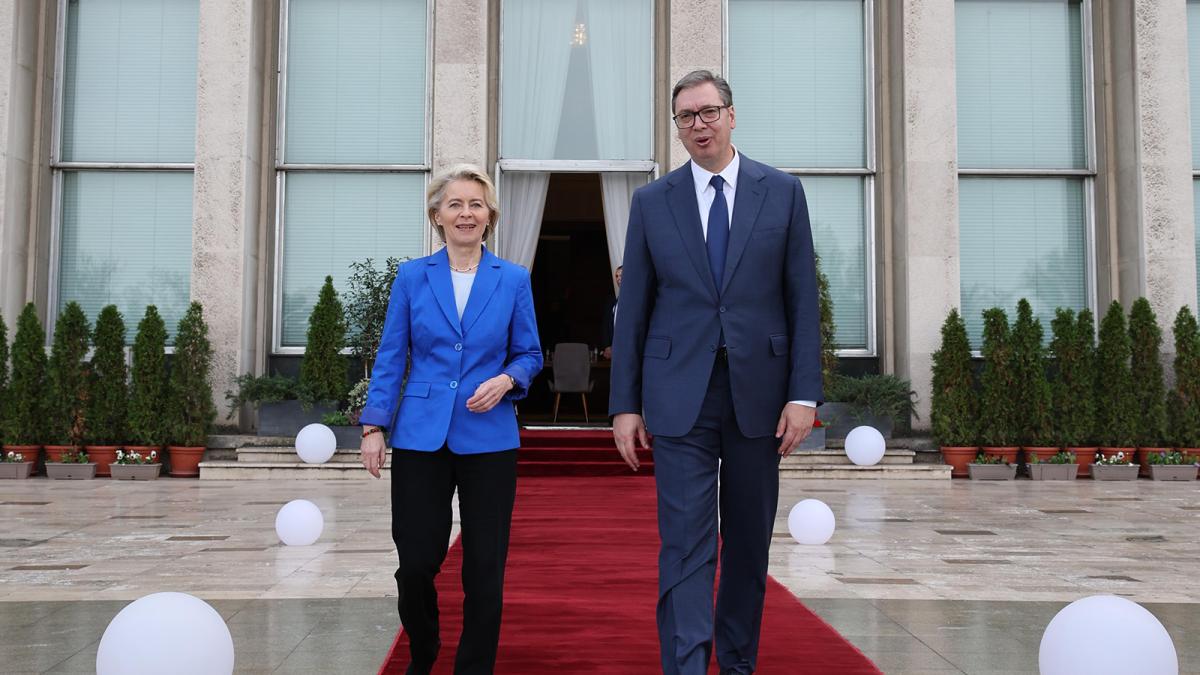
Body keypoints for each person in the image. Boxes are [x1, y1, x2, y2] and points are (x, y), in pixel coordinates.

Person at [609, 70, 822, 675]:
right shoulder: (652, 202)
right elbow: (637, 310)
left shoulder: (781, 192)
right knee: (685, 542)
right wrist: (625, 403)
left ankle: (736, 663)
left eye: (708, 112)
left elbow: (802, 297)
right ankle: (684, 664)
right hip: (680, 396)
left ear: (732, 115)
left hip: (763, 394)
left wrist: (805, 393)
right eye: (686, 117)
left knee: (749, 544)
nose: (698, 125)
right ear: (677, 128)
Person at [359, 164, 543, 675]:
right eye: (456, 204)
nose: (467, 213)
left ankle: (473, 667)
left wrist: (508, 380)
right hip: (421, 433)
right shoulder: (413, 276)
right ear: (437, 216)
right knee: (416, 562)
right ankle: (423, 649)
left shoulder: (514, 279)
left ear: (490, 217)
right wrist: (375, 426)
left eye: (476, 205)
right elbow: (392, 354)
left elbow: (529, 353)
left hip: (490, 437)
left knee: (486, 567)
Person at [600, 265, 622, 360]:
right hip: (614, 348)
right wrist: (607, 346)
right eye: (616, 276)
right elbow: (606, 324)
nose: (618, 278)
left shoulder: (635, 298)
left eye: (621, 275)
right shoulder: (612, 299)